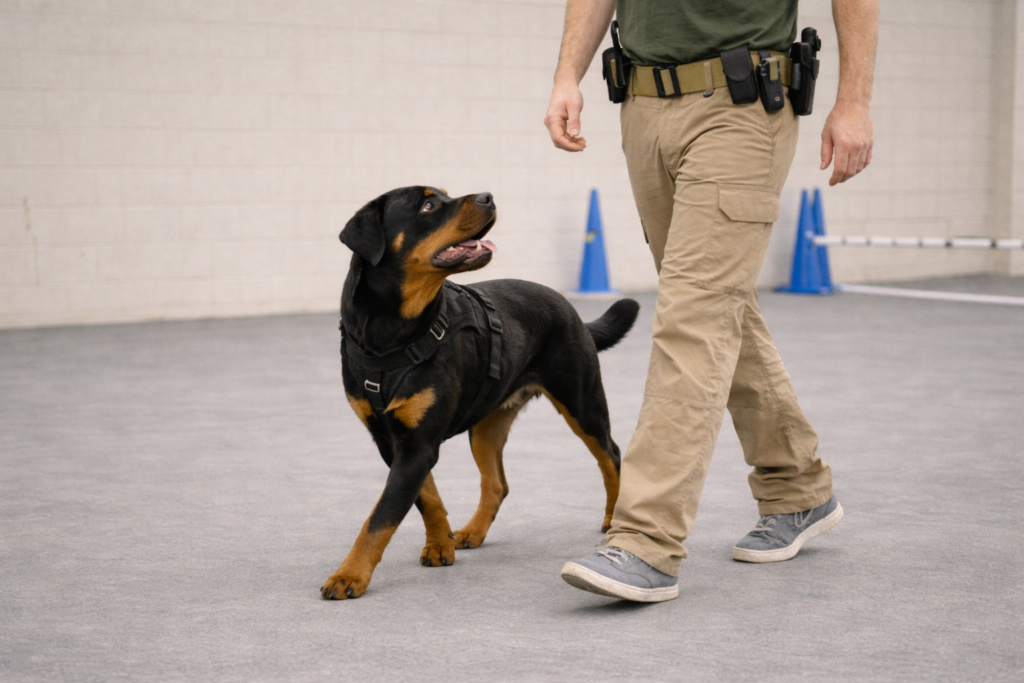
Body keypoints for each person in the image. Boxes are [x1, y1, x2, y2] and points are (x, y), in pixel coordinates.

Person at [544, 0, 877, 602]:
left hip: (742, 106)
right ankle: (797, 489)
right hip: (643, 105)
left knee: (691, 321)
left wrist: (853, 100)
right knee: (722, 310)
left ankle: (646, 540)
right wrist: (567, 74)